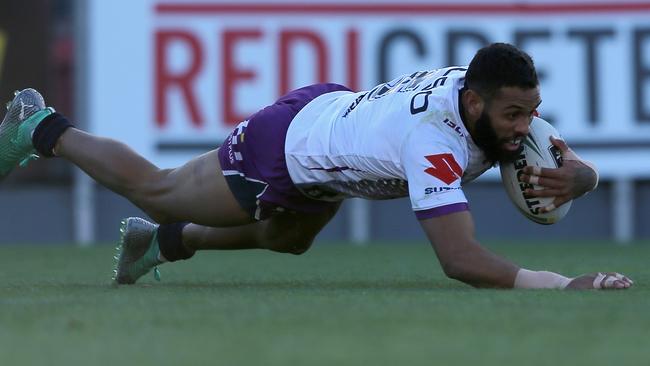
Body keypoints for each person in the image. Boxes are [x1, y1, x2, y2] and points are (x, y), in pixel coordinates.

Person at [0, 43, 632, 290]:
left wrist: (585, 176)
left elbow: (549, 146)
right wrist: (560, 283)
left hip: (333, 133)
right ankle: (41, 126)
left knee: (289, 240)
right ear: (473, 102)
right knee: (159, 190)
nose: (526, 128)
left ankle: (161, 245)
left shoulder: (490, 97)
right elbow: (459, 260)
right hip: (289, 147)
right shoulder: (432, 144)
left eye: (533, 113)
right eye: (515, 115)